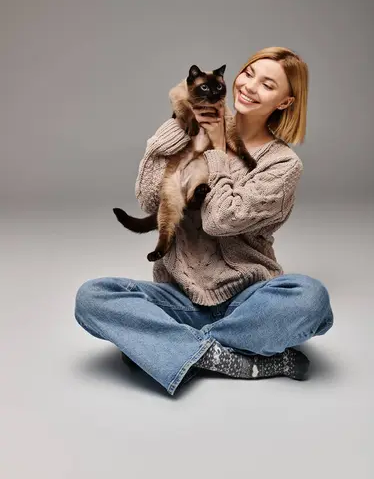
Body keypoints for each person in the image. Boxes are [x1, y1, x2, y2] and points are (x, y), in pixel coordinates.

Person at [74, 46, 334, 396]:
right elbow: (148, 199)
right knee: (92, 297)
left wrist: (215, 148)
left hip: (249, 301)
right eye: (249, 73)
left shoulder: (283, 165)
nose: (251, 86)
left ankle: (165, 349)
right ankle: (232, 356)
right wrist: (178, 123)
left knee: (311, 299)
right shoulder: (197, 120)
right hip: (179, 300)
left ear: (285, 102)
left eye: (268, 85)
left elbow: (219, 220)